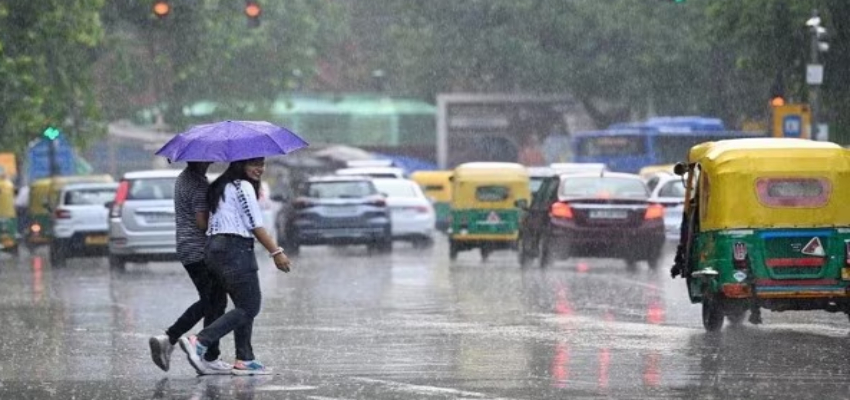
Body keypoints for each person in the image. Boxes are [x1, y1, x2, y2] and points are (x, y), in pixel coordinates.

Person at [179, 157, 291, 375]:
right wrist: (277, 252)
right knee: (250, 306)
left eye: (262, 164)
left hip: (214, 249)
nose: (260, 168)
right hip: (234, 249)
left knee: (242, 304)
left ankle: (245, 359)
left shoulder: (220, 186)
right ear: (240, 165)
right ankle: (200, 341)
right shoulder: (242, 186)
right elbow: (255, 224)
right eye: (254, 163)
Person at [148, 161, 230, 374]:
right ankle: (208, 354)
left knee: (211, 300)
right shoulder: (198, 184)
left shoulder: (184, 178)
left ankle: (173, 338)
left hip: (187, 248)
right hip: (199, 249)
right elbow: (202, 222)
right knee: (216, 301)